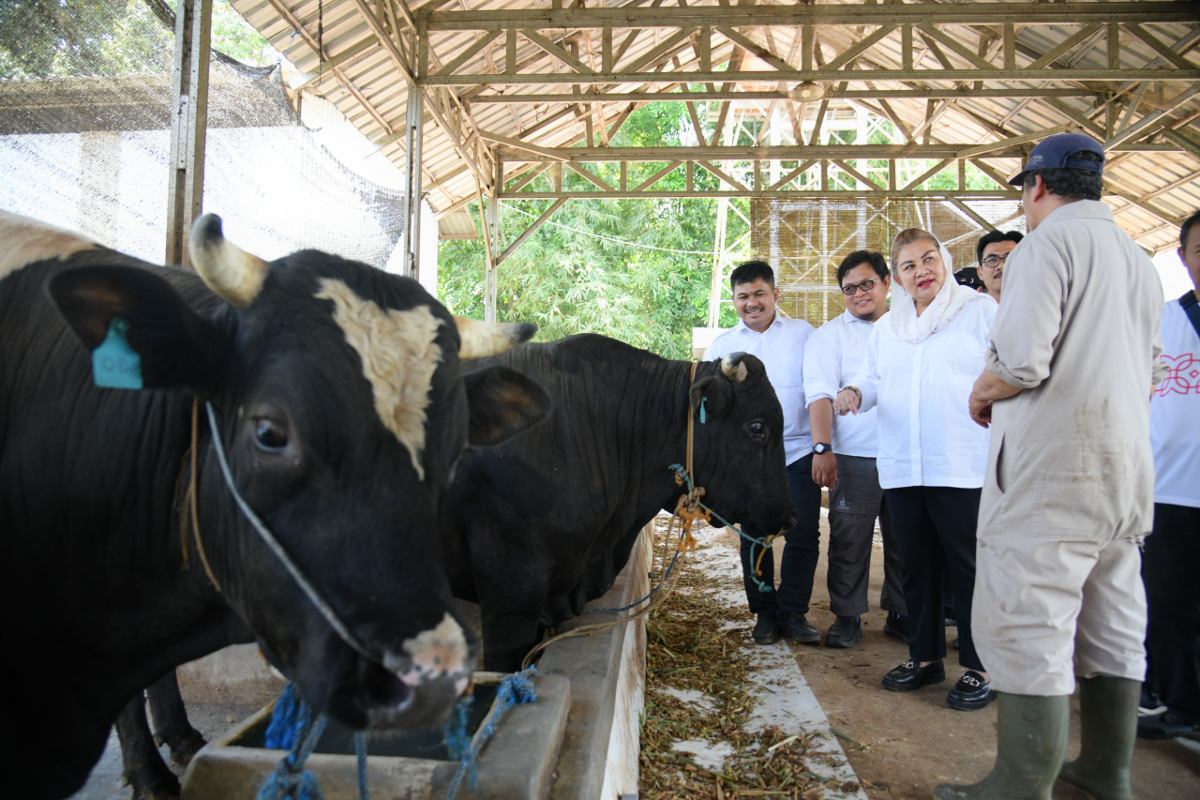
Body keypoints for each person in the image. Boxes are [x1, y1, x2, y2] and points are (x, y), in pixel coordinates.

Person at [940, 132, 1167, 800]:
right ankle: (1105, 770)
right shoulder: (1138, 259)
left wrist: (984, 388)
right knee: (1114, 614)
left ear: (1036, 186)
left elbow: (1021, 360)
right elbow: (1151, 367)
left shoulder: (1047, 245)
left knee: (1029, 614)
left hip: (1054, 472)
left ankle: (1019, 781)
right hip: (1125, 470)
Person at [834, 229, 996, 711]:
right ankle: (925, 658)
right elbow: (871, 377)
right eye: (908, 266)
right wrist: (856, 393)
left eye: (928, 259)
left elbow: (1011, 365)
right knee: (915, 566)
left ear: (944, 260)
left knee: (968, 567)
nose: (920, 271)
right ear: (898, 279)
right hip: (904, 465)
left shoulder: (978, 311)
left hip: (960, 463)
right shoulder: (890, 328)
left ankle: (980, 665)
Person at [706, 261, 823, 646]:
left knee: (803, 533)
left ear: (775, 294)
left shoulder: (805, 335)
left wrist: (825, 445)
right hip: (750, 461)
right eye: (743, 297)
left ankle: (793, 611)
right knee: (755, 536)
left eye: (759, 294)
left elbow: (818, 389)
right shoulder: (723, 346)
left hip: (798, 451)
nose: (752, 303)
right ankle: (765, 614)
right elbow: (711, 412)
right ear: (734, 300)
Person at [803, 250, 909, 648]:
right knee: (849, 538)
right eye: (849, 288)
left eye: (867, 284)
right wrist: (822, 448)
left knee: (906, 538)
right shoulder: (829, 336)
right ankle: (848, 615)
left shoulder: (910, 327)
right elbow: (819, 395)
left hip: (905, 453)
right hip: (855, 456)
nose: (859, 294)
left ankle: (901, 612)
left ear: (887, 282)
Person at [1138, 209, 1200, 742]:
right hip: (1171, 489)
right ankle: (1178, 702)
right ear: (1184, 258)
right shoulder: (1162, 320)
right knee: (1170, 600)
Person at [975, 230, 1024, 304]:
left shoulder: (1043, 307)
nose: (1002, 266)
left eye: (1010, 258)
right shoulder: (968, 311)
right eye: (992, 260)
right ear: (980, 273)